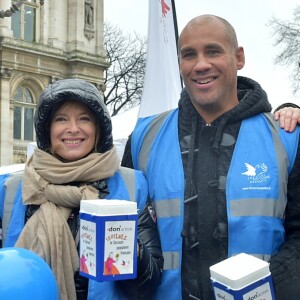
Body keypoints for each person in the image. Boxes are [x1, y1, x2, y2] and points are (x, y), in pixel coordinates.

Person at [121, 15, 300, 300]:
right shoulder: (145, 138)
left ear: (238, 57)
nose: (201, 64)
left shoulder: (288, 137)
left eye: (213, 51)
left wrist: (271, 285)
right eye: (189, 55)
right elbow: (124, 226)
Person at [10, 79, 163, 300]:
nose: (73, 129)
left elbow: (149, 287)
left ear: (98, 128)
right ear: (47, 129)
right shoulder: (13, 188)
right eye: (61, 119)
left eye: (84, 119)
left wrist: (129, 249)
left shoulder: (132, 184)